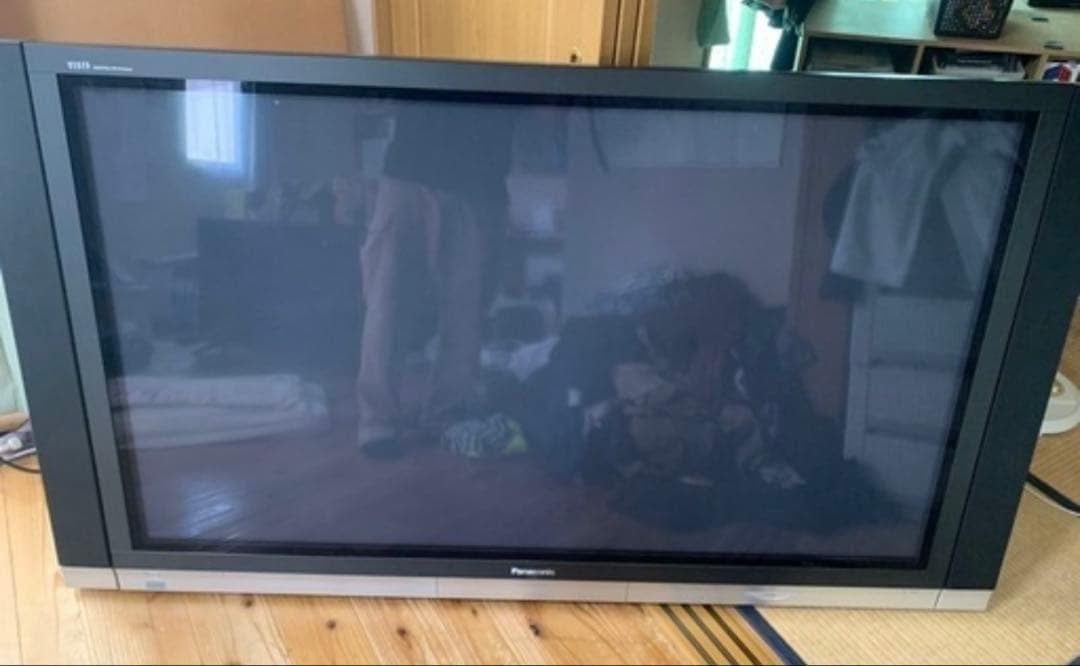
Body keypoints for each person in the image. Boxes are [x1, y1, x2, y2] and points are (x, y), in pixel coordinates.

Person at [351, 101, 519, 458]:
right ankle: (378, 421)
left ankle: (445, 414)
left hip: (481, 181)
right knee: (387, 301)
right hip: (413, 171)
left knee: (466, 314)